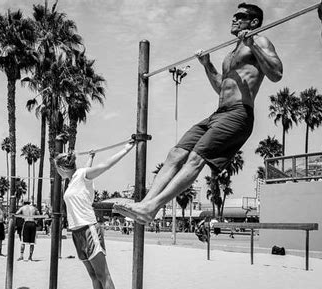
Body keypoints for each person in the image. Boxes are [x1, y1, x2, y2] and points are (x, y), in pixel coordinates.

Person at [115, 3, 283, 225]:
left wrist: (254, 46)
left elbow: (277, 73)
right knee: (176, 153)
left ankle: (151, 207)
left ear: (253, 22)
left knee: (196, 157)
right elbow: (221, 87)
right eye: (233, 15)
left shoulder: (259, 41)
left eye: (240, 16)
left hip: (239, 113)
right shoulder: (231, 52)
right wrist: (207, 65)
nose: (233, 19)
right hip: (219, 112)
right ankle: (145, 203)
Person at [55, 141, 135, 289]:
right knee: (93, 276)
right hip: (77, 232)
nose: (57, 172)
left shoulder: (83, 174)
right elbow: (83, 179)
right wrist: (90, 157)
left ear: (62, 168)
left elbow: (106, 166)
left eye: (57, 169)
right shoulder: (74, 180)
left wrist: (127, 148)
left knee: (103, 275)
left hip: (89, 229)